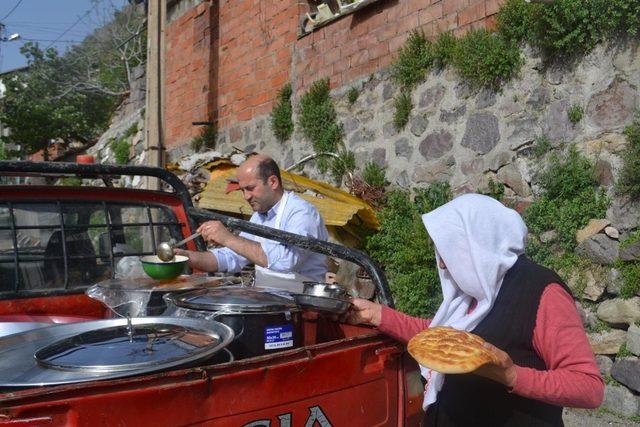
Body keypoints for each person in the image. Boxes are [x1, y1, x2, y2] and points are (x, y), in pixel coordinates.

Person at [344, 193, 603, 426]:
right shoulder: (475, 287)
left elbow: (588, 386)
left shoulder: (541, 292)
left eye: (449, 249)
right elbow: (440, 336)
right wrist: (376, 314)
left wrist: (512, 375)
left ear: (477, 243)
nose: (442, 264)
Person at [176, 154, 328, 291]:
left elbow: (287, 261)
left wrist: (228, 238)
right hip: (270, 299)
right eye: (242, 190)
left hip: (303, 304)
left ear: (273, 182)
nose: (246, 197)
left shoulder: (301, 212)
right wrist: (186, 258)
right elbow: (232, 257)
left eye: (250, 188)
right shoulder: (260, 216)